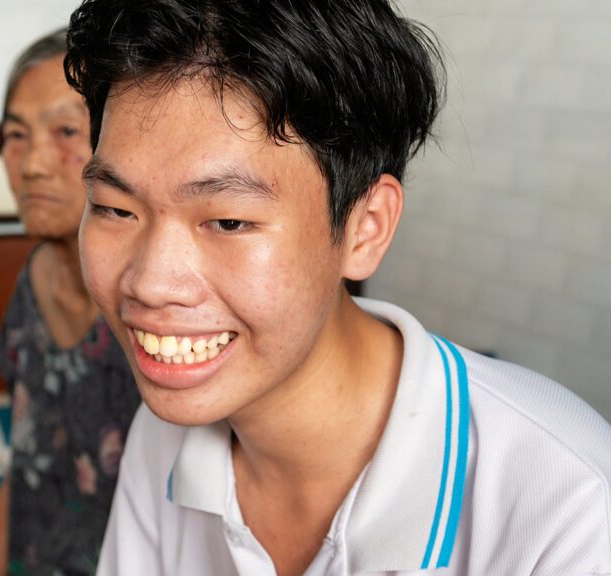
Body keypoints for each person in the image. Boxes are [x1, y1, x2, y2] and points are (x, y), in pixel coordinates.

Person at [62, 1, 611, 574]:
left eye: (228, 222)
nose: (151, 283)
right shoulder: (166, 432)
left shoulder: (567, 503)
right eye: (115, 209)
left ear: (365, 228)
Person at [0, 29, 141, 576]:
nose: (34, 163)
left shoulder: (155, 302)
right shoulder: (32, 281)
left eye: (66, 130)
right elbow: (26, 465)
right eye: (16, 135)